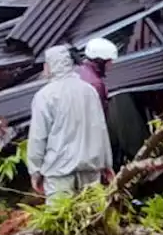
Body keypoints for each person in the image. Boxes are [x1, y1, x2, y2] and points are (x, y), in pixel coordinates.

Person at [26, 45, 113, 198]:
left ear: (50, 66)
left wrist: (35, 170)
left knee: (60, 219)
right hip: (90, 170)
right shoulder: (89, 91)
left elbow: (38, 137)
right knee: (91, 217)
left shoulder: (45, 96)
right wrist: (107, 163)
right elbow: (101, 129)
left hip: (59, 174)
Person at [79, 37, 118, 113]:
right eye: (109, 61)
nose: (111, 64)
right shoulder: (96, 84)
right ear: (100, 61)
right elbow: (98, 114)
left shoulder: (78, 70)